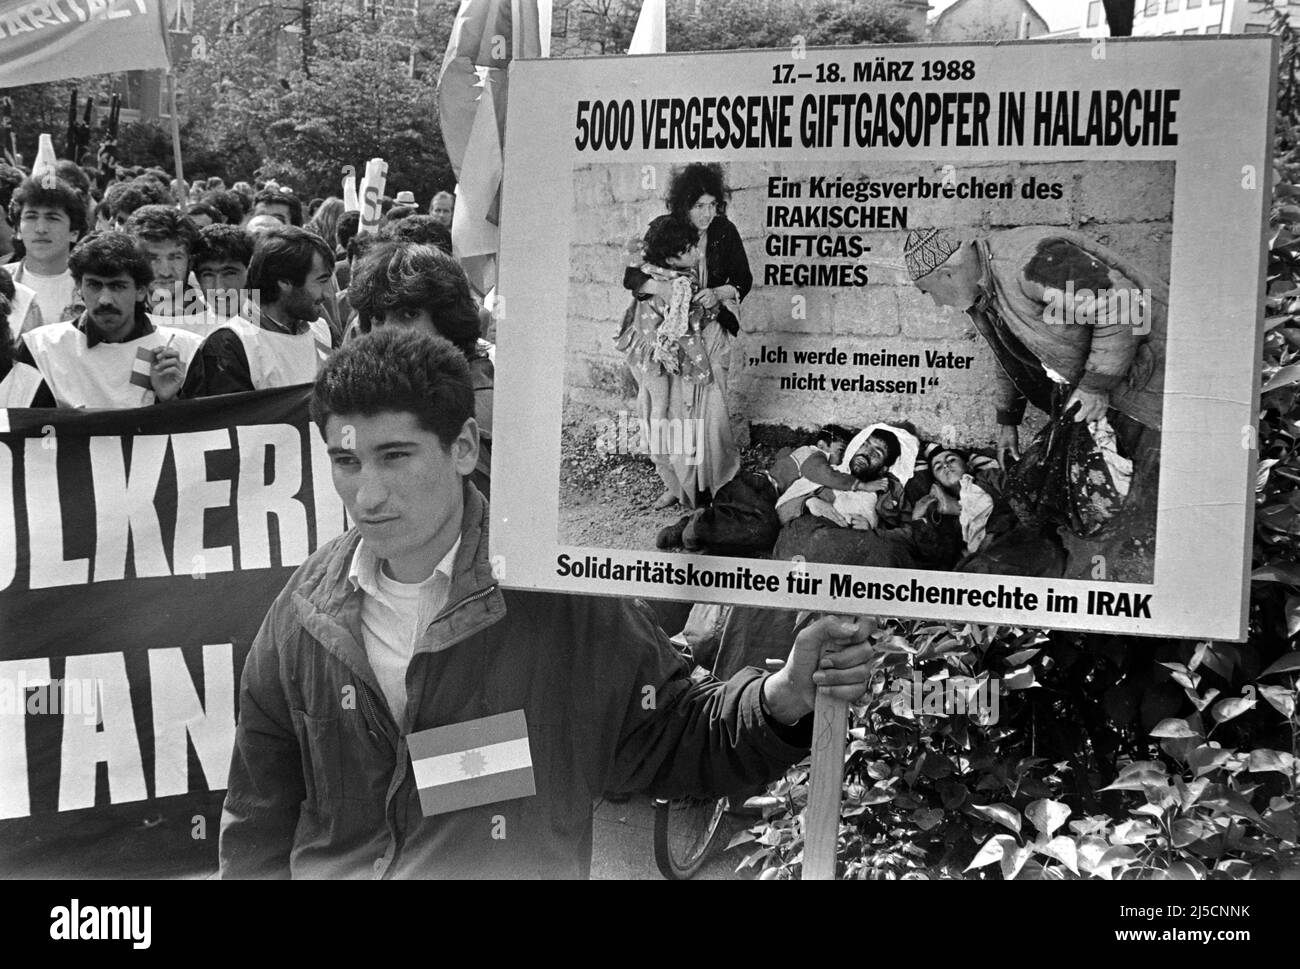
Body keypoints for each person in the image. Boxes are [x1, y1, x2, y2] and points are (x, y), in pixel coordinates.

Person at [218, 327, 874, 879]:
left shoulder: (558, 602)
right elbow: (259, 814)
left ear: (465, 447)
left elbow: (677, 730)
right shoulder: (305, 609)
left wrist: (784, 695)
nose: (367, 494)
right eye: (347, 461)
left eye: (395, 456)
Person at [347, 240, 494, 495]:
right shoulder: (400, 397)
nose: (389, 332)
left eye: (408, 315)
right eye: (378, 318)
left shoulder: (478, 410)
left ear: (448, 321)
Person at [619, 213, 739, 511]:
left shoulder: (658, 268)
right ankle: (680, 487)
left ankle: (681, 486)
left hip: (652, 358)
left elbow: (633, 270)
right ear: (672, 259)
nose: (697, 253)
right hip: (660, 360)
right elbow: (682, 331)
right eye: (689, 250)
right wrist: (701, 365)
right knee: (664, 420)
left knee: (664, 421)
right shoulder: (678, 284)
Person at [9, 232, 200, 408]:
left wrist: (170, 400)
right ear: (78, 287)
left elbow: (200, 434)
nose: (105, 300)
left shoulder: (184, 350)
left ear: (141, 290)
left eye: (118, 286)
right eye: (94, 285)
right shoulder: (41, 348)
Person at [656, 423, 858, 555]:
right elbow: (825, 475)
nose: (840, 459)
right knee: (766, 531)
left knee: (746, 531)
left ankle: (689, 526)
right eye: (840, 451)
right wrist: (856, 482)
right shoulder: (815, 455)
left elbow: (783, 455)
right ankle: (700, 524)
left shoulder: (795, 455)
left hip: (744, 491)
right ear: (822, 444)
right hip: (758, 487)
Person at [181, 225, 335, 397]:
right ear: (284, 282)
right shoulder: (230, 346)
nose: (328, 293)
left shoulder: (322, 329)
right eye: (321, 281)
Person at [3, 176, 86, 330]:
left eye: (52, 218)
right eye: (31, 217)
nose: (41, 229)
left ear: (74, 232)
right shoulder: (2, 282)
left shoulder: (94, 286)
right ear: (18, 230)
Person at [123, 204, 208, 330]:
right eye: (152, 259)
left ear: (190, 261)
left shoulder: (217, 325)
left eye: (175, 257)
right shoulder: (120, 324)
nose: (165, 271)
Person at [192, 224, 253, 325]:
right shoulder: (184, 326)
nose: (219, 287)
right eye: (208, 275)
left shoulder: (273, 322)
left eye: (229, 274)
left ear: (250, 272)